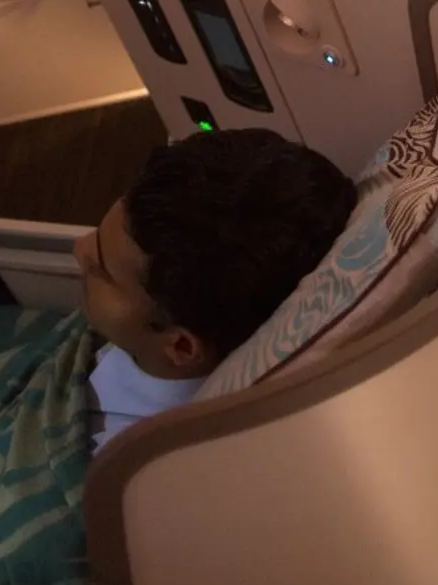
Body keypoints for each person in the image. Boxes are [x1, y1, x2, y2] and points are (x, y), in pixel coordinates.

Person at [75, 128, 357, 450]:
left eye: (100, 271)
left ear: (181, 347)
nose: (78, 249)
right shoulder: (145, 320)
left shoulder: (128, 455)